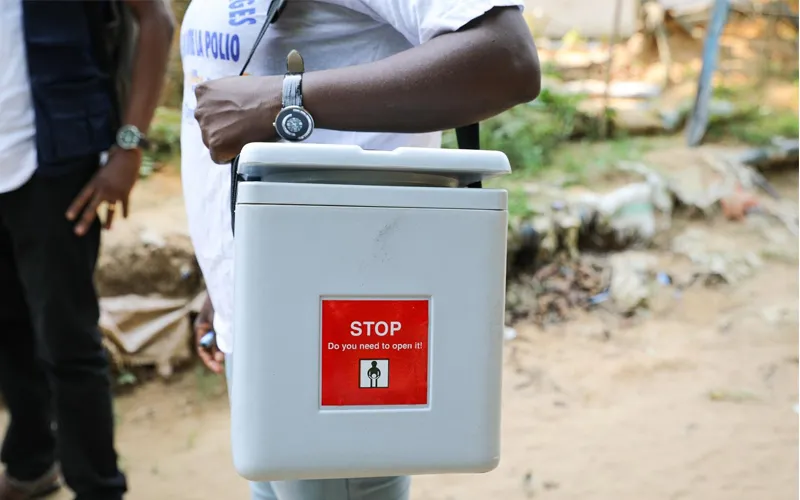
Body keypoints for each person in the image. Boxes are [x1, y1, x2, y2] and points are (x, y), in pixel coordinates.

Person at [184, 0, 540, 499]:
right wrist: (225, 274)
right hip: (267, 302)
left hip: (339, 317)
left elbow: (507, 59)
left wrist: (282, 102)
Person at [0, 1, 174, 499]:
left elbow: (156, 20)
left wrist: (128, 146)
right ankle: (31, 463)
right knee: (7, 329)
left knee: (66, 340)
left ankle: (99, 488)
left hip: (54, 166)